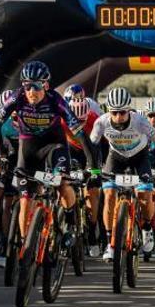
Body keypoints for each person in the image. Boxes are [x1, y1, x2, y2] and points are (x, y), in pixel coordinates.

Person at [0, 61, 95, 249]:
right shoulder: (17, 97)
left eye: (36, 86)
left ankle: (70, 222)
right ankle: (24, 247)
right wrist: (1, 155)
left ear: (45, 85)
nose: (31, 91)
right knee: (25, 198)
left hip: (54, 146)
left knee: (62, 182)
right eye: (27, 85)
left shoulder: (55, 100)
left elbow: (78, 131)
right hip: (28, 147)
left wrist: (91, 164)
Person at [90, 87, 155, 260]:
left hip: (140, 158)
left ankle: (147, 229)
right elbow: (92, 147)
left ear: (129, 110)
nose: (119, 117)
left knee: (144, 194)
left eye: (122, 112)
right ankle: (109, 242)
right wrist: (94, 169)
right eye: (114, 112)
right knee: (108, 194)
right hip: (116, 158)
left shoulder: (141, 121)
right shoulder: (101, 122)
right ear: (109, 111)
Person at [66, 97, 103, 256]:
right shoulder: (62, 120)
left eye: (83, 120)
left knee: (92, 191)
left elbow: (101, 146)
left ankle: (92, 233)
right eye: (76, 121)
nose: (79, 125)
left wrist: (95, 171)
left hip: (91, 150)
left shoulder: (95, 119)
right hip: (69, 149)